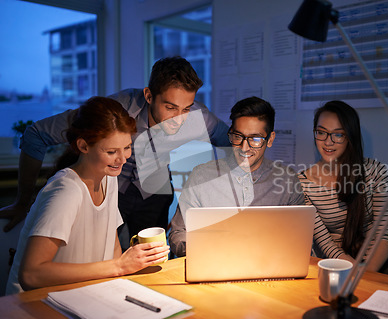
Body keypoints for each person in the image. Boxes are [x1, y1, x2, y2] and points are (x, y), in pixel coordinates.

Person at [0, 57, 230, 243]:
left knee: (151, 261)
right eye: (170, 107)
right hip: (109, 189)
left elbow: (233, 141)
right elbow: (36, 135)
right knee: (100, 258)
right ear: (149, 95)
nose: (179, 120)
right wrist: (23, 201)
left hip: (155, 192)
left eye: (186, 109)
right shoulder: (117, 109)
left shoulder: (199, 118)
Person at [5, 97, 169, 294]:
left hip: (80, 296)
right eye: (111, 151)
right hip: (33, 308)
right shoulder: (66, 191)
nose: (123, 158)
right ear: (83, 146)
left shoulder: (108, 177)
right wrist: (119, 266)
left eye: (127, 147)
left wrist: (125, 269)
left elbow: (112, 245)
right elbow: (31, 275)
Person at [298, 101, 388, 282]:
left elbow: (382, 234)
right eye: (321, 132)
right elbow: (325, 243)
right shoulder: (303, 182)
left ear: (350, 136)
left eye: (338, 134)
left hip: (378, 261)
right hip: (336, 262)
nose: (328, 141)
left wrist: (365, 275)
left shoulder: (375, 170)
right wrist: (351, 271)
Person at [168, 97, 305, 257]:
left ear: (270, 139)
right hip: (214, 266)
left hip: (267, 270)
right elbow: (178, 235)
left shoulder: (287, 181)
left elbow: (298, 239)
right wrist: (210, 250)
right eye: (238, 136)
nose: (244, 147)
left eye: (255, 139)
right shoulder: (201, 176)